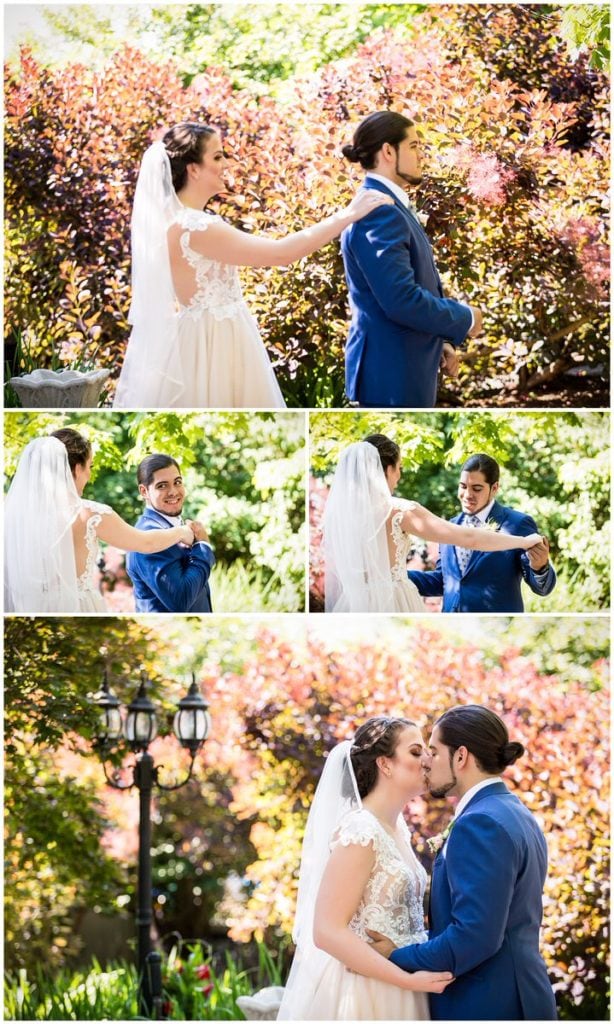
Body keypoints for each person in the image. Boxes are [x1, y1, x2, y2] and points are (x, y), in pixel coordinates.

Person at [113, 122, 394, 409]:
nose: (226, 163)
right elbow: (279, 254)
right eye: (218, 156)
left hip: (195, 338)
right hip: (218, 342)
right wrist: (347, 215)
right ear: (193, 168)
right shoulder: (197, 226)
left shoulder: (173, 224)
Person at [367, 706, 558, 1021]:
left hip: (488, 1004)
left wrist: (396, 955)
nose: (426, 761)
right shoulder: (516, 812)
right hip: (519, 995)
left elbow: (473, 936)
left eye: (434, 752)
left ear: (461, 757)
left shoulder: (480, 822)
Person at [277, 716, 454, 1020]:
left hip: (403, 983)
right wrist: (406, 979)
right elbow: (326, 931)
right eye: (415, 752)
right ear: (385, 764)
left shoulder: (396, 828)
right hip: (364, 992)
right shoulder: (361, 830)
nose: (427, 760)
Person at [340, 111, 484, 408]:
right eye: (415, 146)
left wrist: (440, 339)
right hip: (391, 373)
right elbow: (401, 299)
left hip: (403, 365)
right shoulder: (379, 211)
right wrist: (465, 318)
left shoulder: (385, 204)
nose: (422, 155)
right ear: (388, 151)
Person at [323, 435, 543, 612]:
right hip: (394, 601)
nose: (400, 474)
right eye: (399, 467)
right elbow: (470, 537)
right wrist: (524, 541)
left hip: (353, 604)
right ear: (387, 469)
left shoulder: (340, 518)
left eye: (476, 488)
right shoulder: (400, 510)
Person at [4, 430, 196, 613]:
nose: (89, 475)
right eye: (90, 466)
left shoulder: (12, 518)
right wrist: (182, 532)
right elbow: (145, 542)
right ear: (78, 468)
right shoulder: (90, 514)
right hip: (77, 608)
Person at [408, 453, 556, 612]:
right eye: (463, 486)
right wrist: (397, 576)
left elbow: (542, 589)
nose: (467, 495)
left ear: (494, 488)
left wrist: (540, 567)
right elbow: (442, 581)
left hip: (493, 625)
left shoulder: (517, 524)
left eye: (476, 489)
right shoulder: (451, 525)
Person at [125, 454, 215, 613]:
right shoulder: (148, 536)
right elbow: (181, 599)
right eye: (162, 486)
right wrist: (203, 547)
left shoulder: (174, 525)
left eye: (177, 482)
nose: (173, 492)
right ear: (144, 491)